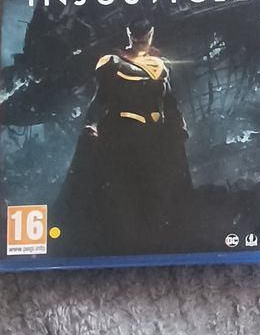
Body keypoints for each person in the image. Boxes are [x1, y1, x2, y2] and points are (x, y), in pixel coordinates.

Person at [54, 18, 191, 255]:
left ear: (151, 33)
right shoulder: (112, 63)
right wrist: (91, 125)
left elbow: (170, 104)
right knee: (121, 196)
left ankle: (154, 245)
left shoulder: (161, 66)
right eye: (136, 33)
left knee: (156, 196)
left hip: (155, 139)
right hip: (122, 136)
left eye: (145, 33)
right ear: (129, 34)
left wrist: (179, 128)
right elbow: (101, 98)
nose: (141, 38)